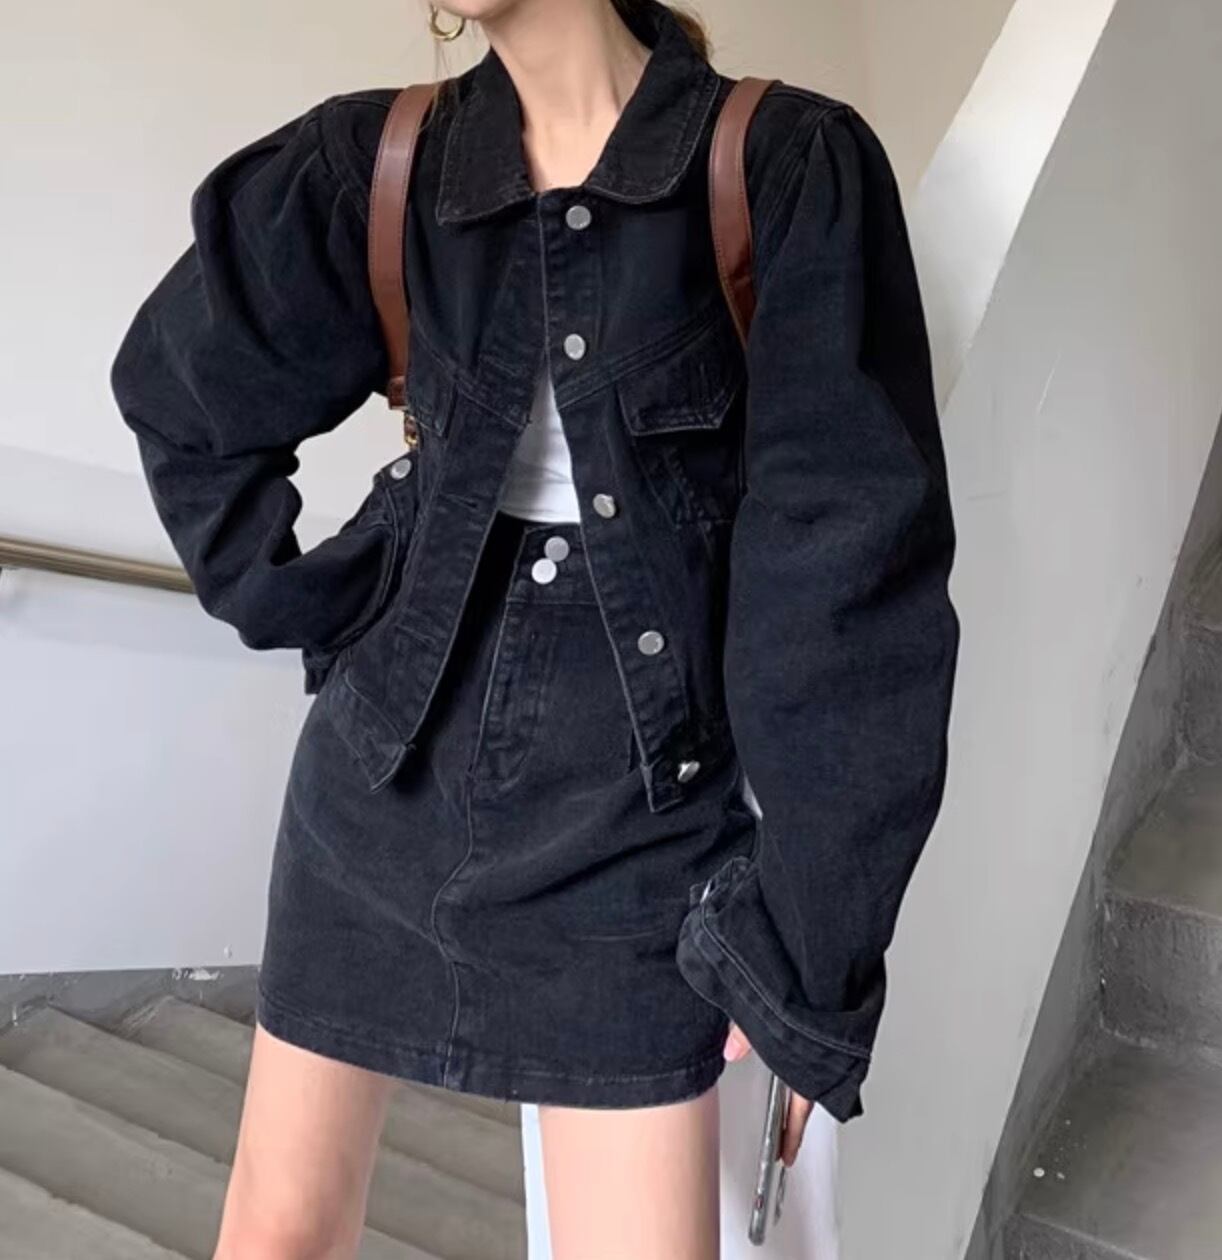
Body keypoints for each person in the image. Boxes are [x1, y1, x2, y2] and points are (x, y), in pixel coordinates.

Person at [109, 0, 960, 1255]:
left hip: (637, 813)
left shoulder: (783, 165)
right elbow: (184, 392)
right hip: (378, 781)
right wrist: (323, 599)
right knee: (276, 1232)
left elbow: (846, 579)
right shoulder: (380, 164)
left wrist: (810, 956)